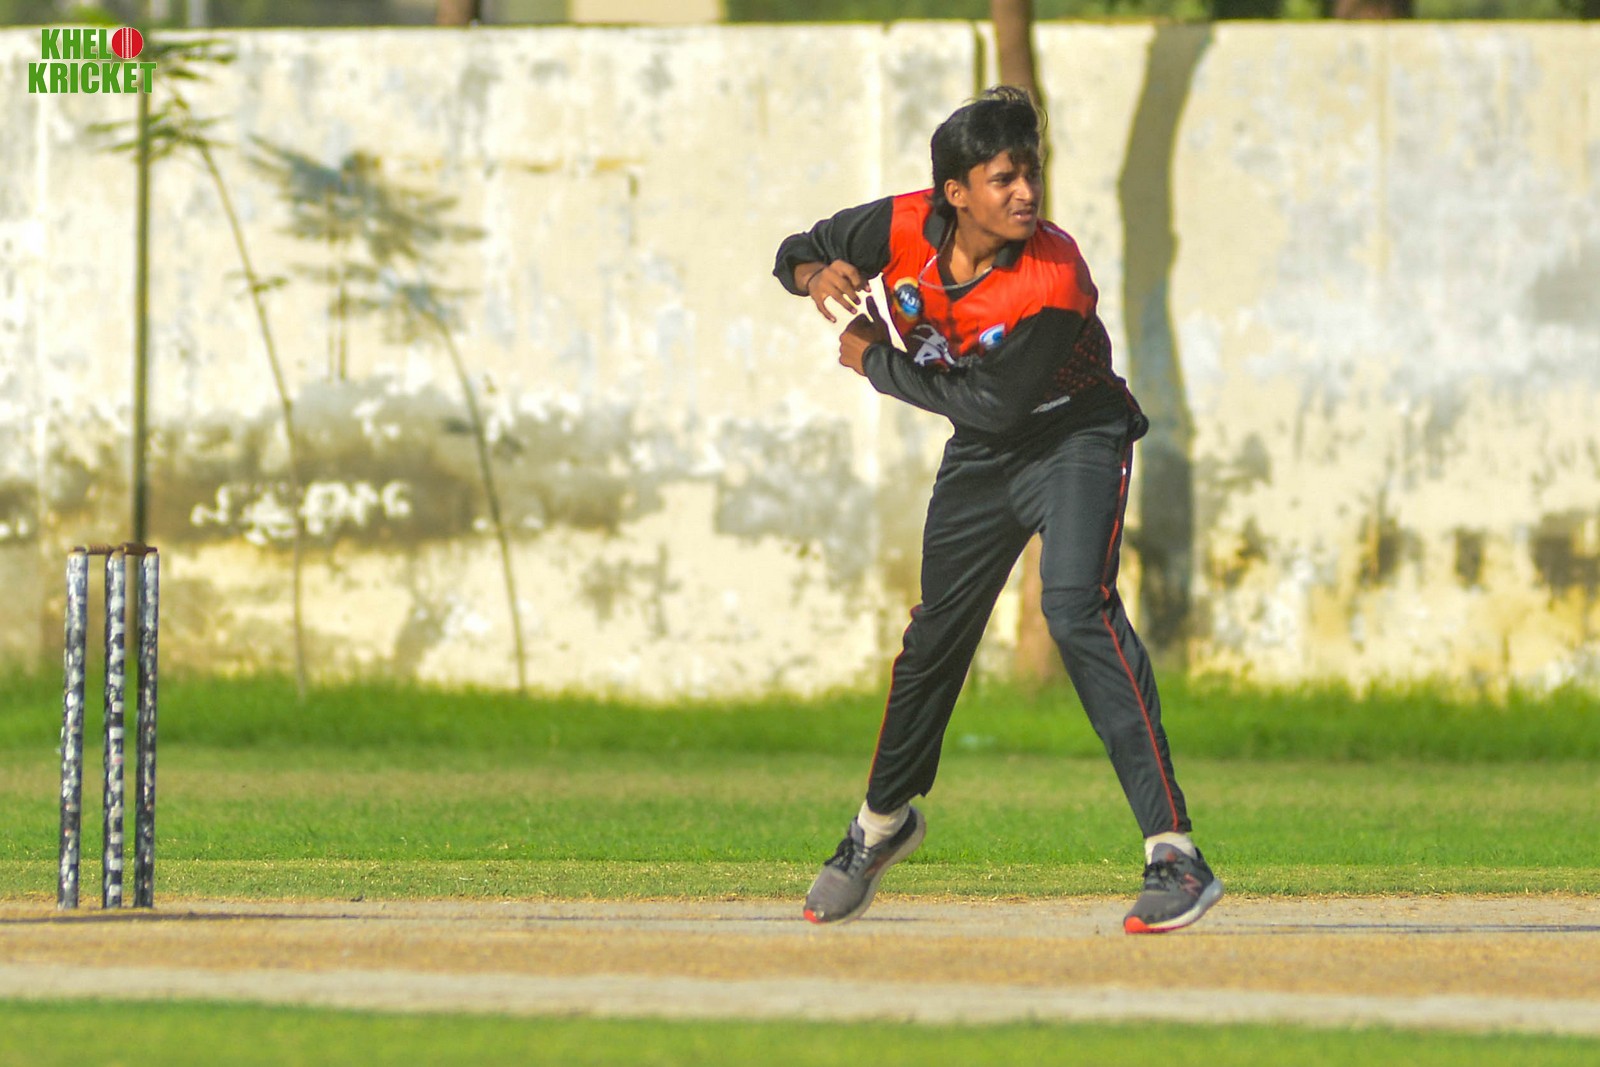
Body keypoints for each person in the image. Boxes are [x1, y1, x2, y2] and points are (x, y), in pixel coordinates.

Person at [771, 86, 1221, 934]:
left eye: (1031, 173)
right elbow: (798, 249)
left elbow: (996, 404)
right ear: (957, 193)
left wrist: (873, 361)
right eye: (1004, 178)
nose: (1025, 192)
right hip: (985, 456)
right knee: (937, 633)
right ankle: (880, 826)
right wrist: (812, 274)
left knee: (1075, 608)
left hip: (1074, 434)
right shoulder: (902, 226)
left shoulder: (1053, 273)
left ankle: (1175, 853)